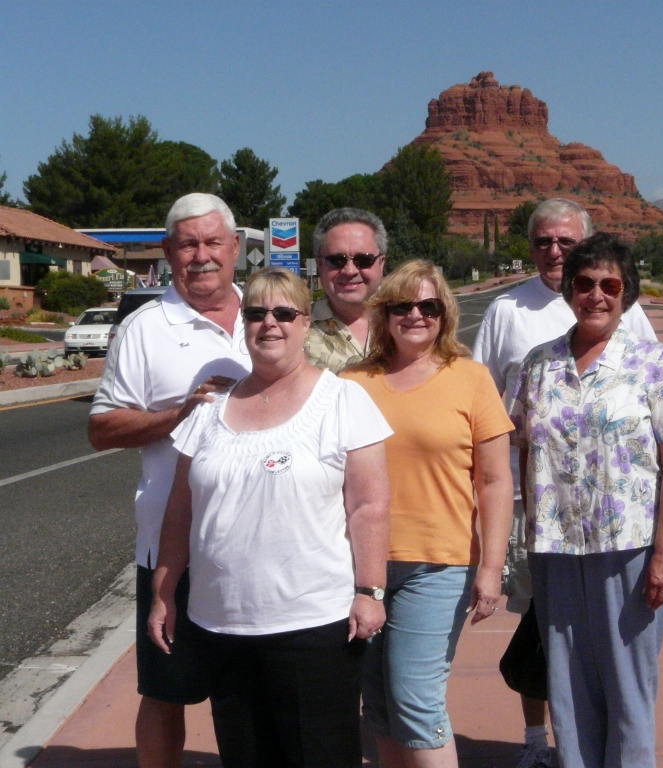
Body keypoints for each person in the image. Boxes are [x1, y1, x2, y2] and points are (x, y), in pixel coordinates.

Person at [147, 267, 391, 767]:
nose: (269, 324)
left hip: (314, 626)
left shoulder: (342, 400)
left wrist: (369, 592)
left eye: (284, 313)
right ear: (244, 325)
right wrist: (163, 594)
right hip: (222, 624)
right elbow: (179, 510)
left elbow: (369, 507)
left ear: (305, 322)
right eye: (256, 313)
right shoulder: (210, 408)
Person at [472, 198, 656, 768]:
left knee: (614, 656)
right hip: (541, 520)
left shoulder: (638, 331)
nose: (556, 252)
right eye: (545, 243)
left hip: (620, 525)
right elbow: (487, 413)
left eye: (568, 243)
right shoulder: (511, 316)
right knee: (550, 645)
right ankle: (540, 744)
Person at [509, 233, 663, 768]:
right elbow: (522, 446)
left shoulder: (651, 361)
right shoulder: (539, 363)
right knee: (566, 685)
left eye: (609, 284)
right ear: (569, 289)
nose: (596, 294)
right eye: (585, 283)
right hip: (555, 548)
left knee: (628, 684)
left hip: (629, 548)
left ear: (626, 293)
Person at [88, 193, 252, 768]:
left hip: (264, 546)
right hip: (172, 547)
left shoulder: (272, 315)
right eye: (188, 244)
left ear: (235, 248)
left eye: (213, 243)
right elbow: (102, 428)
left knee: (255, 695)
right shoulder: (144, 328)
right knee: (166, 690)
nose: (201, 256)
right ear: (167, 251)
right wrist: (175, 417)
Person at [341, 260, 514, 768]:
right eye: (401, 306)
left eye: (428, 306)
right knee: (379, 705)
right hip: (360, 566)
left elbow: (496, 480)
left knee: (415, 702)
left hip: (439, 566)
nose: (415, 315)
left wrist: (490, 568)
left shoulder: (471, 379)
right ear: (383, 314)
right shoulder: (352, 381)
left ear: (445, 313)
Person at [305, 207, 387, 372]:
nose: (350, 271)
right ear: (320, 265)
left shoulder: (411, 323)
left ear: (381, 263)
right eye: (336, 261)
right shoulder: (295, 331)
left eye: (363, 260)